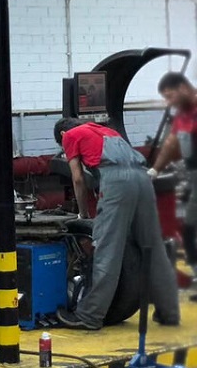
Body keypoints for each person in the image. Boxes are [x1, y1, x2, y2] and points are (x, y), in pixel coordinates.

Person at [53, 117, 180, 330]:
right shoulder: (107, 131)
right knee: (153, 247)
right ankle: (169, 312)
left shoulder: (70, 136)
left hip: (117, 180)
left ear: (63, 135)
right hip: (143, 179)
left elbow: (78, 179)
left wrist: (83, 214)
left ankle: (90, 315)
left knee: (107, 248)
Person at [149, 72, 197, 299]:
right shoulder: (183, 115)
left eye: (170, 97)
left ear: (183, 88)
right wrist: (154, 170)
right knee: (189, 229)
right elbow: (170, 143)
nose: (169, 103)